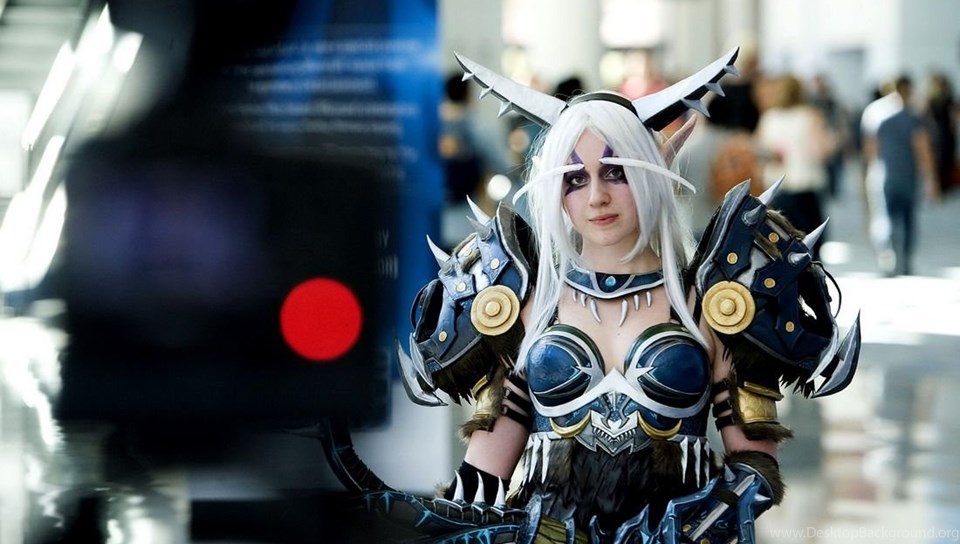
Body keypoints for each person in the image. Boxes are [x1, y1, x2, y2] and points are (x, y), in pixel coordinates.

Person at [327, 49, 861, 544]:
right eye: (575, 179)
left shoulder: (713, 303)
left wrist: (683, 529)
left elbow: (757, 469)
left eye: (615, 172)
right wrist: (420, 513)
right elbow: (485, 475)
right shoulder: (527, 303)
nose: (597, 196)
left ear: (650, 174)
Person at [754, 74, 835, 260]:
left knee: (784, 241)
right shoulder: (810, 115)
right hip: (806, 186)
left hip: (778, 187)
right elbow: (821, 151)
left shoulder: (769, 118)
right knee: (813, 239)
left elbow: (760, 149)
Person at [867, 75, 940, 276]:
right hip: (908, 177)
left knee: (889, 217)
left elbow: (872, 150)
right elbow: (922, 149)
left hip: (887, 175)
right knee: (908, 218)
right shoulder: (914, 119)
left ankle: (890, 255)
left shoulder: (881, 119)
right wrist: (931, 178)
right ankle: (905, 259)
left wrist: (871, 172)